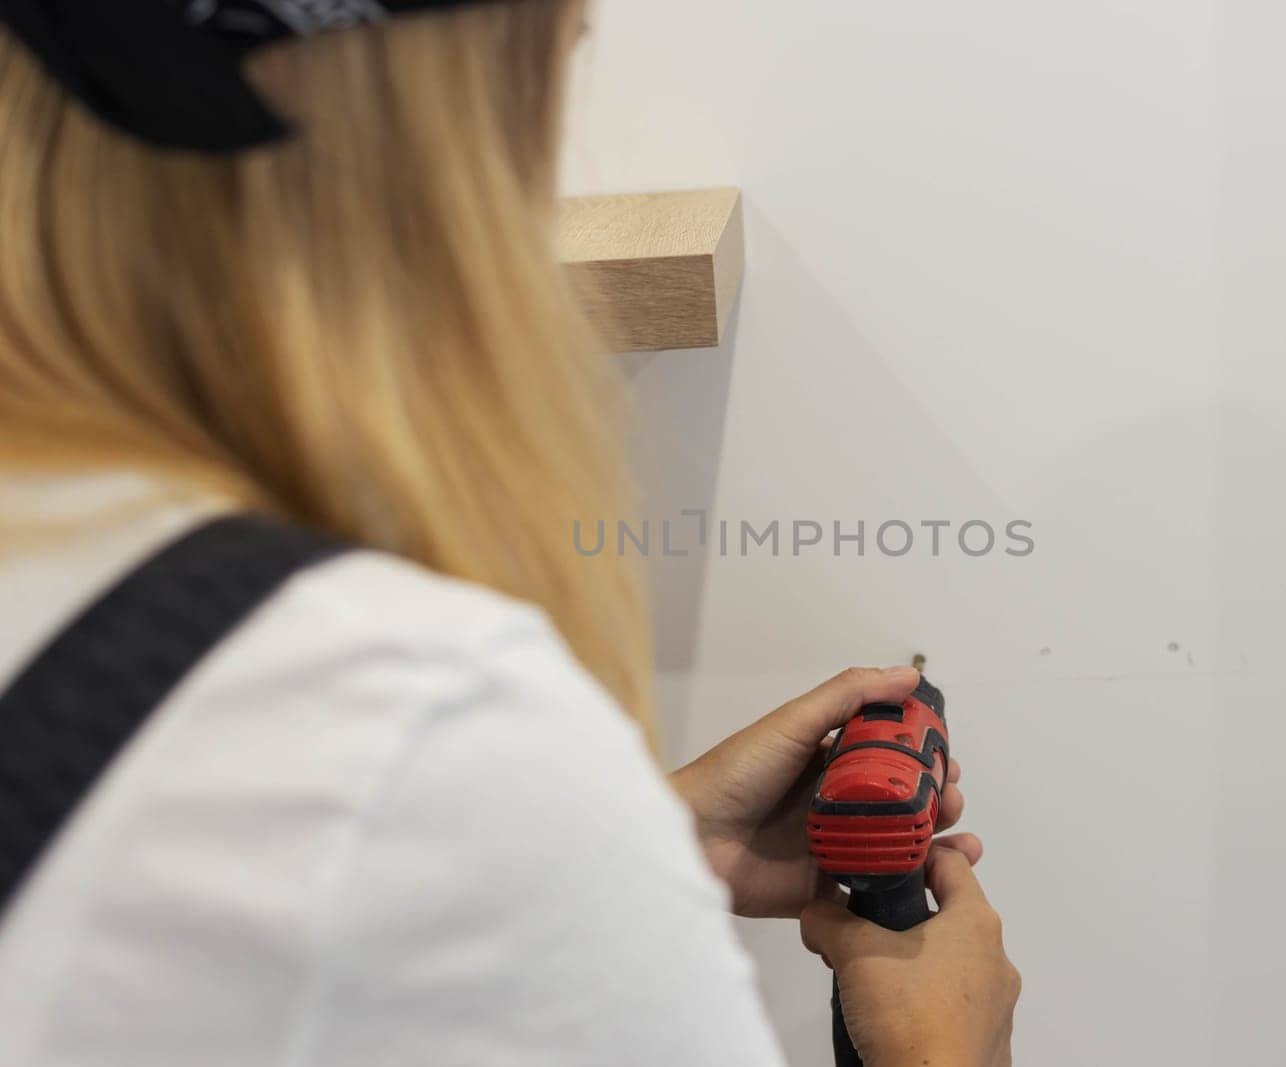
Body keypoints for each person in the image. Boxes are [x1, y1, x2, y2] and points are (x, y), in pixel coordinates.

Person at [0, 2, 1020, 1065]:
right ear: (431, 126)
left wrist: (630, 846)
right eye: (548, 73)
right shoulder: (409, 717)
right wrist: (941, 1049)